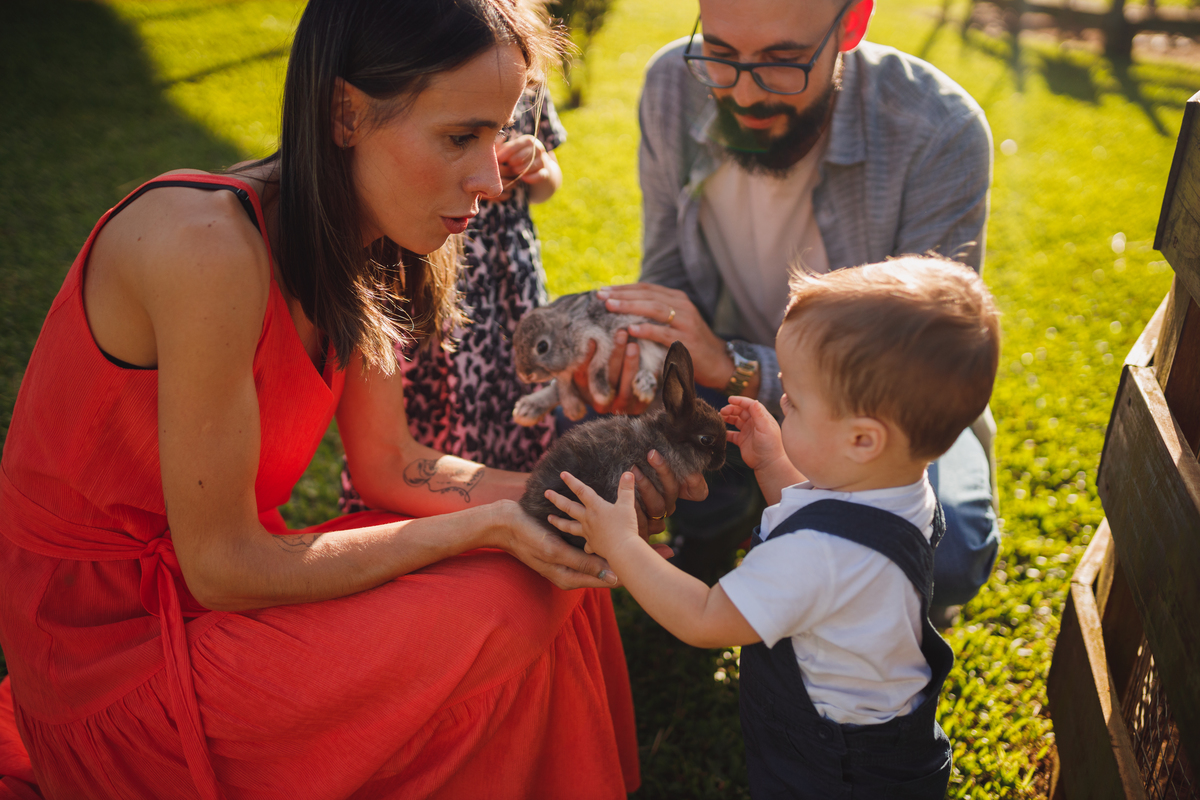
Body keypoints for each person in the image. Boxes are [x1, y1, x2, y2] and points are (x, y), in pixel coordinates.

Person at [0, 1, 704, 797]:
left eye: (499, 133)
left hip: (218, 598)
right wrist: (494, 524)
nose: (490, 178)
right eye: (458, 136)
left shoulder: (378, 238)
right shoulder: (201, 244)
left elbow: (391, 465)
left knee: (558, 555)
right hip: (112, 659)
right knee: (504, 597)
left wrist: (571, 498)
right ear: (345, 114)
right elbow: (222, 568)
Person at [588, 0, 999, 615]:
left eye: (783, 62)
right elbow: (668, 272)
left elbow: (919, 370)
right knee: (584, 451)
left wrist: (738, 366)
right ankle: (729, 511)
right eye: (722, 55)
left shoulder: (938, 129)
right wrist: (644, 358)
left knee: (949, 553)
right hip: (720, 395)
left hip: (883, 416)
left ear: (852, 24)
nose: (746, 96)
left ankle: (769, 519)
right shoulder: (674, 82)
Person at [544, 256, 1001, 797]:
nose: (779, 403)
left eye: (796, 404)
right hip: (885, 749)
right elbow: (824, 514)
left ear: (862, 441)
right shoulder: (898, 492)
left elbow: (705, 618)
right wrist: (772, 463)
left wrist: (620, 543)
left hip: (833, 770)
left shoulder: (817, 556)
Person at [341, 88, 567, 516]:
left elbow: (549, 181)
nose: (491, 181)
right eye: (462, 138)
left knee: (511, 378)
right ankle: (424, 502)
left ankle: (510, 491)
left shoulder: (530, 86)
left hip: (504, 274)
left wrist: (537, 164)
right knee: (428, 382)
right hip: (433, 262)